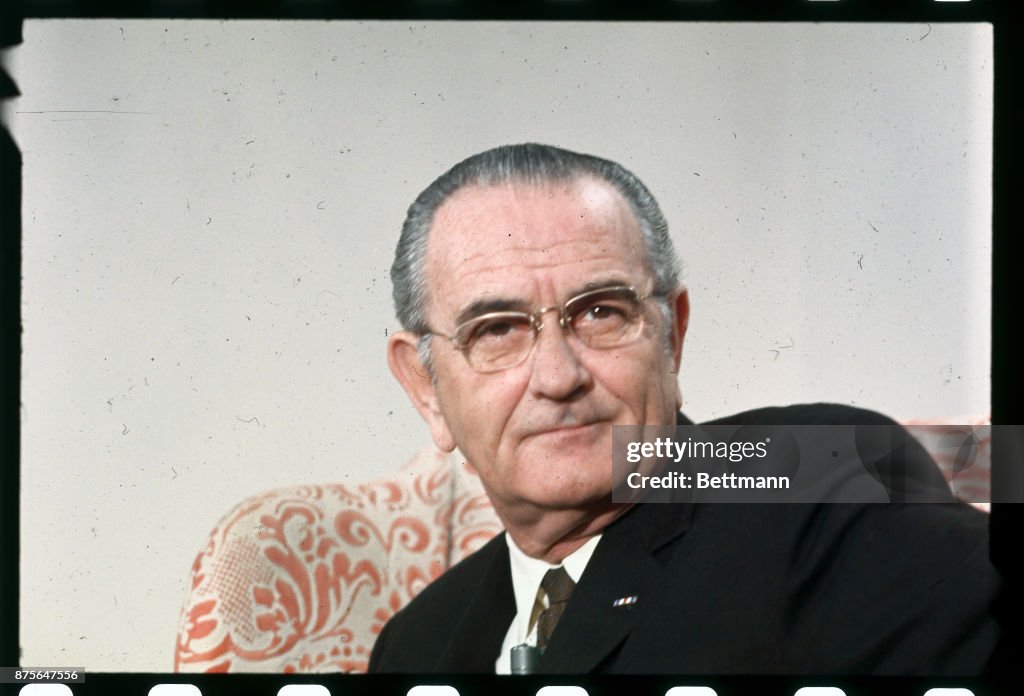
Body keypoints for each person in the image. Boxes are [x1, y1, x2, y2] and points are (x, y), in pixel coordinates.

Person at [369, 143, 998, 674]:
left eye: (600, 312)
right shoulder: (415, 644)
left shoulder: (824, 478)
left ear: (673, 337)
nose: (558, 378)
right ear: (425, 386)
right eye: (498, 329)